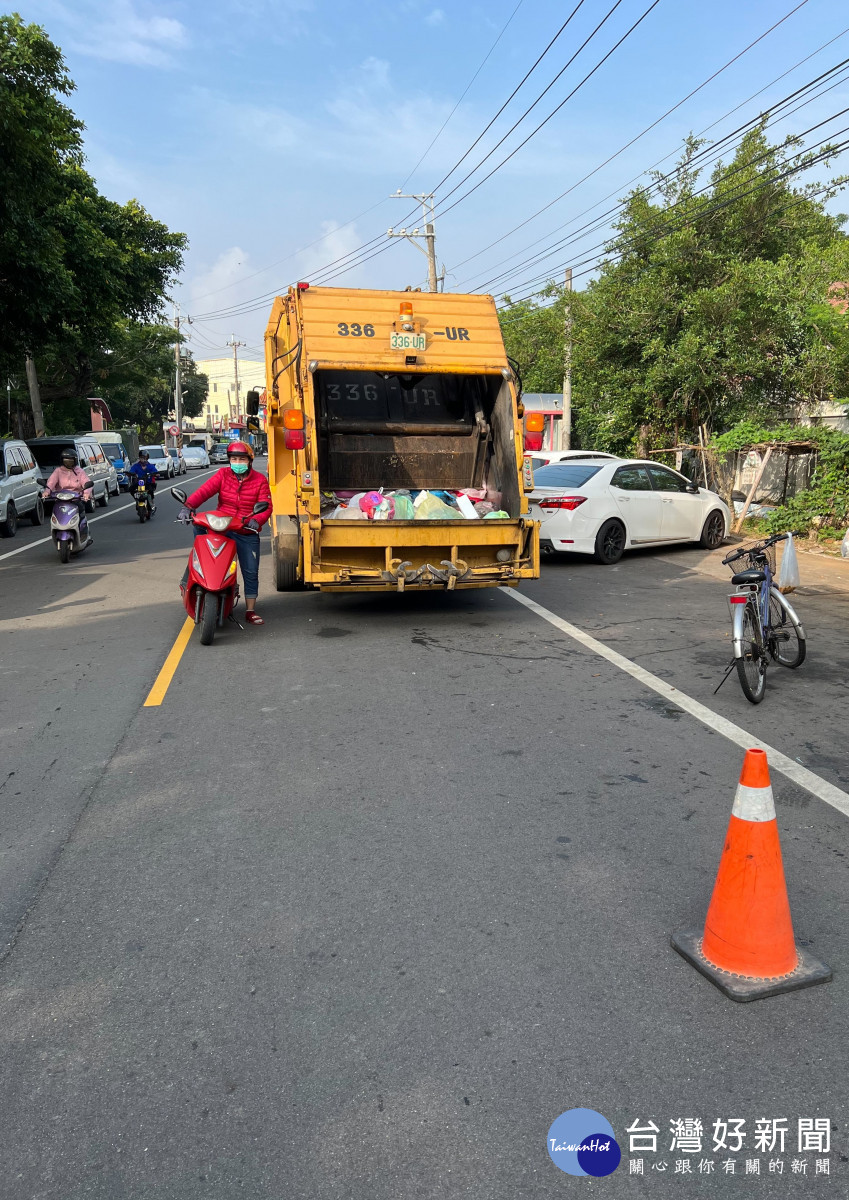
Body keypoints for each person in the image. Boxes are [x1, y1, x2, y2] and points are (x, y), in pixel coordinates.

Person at [179, 441, 272, 625]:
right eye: (234, 458)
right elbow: (204, 491)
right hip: (222, 526)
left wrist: (257, 520)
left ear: (249, 461)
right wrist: (188, 507)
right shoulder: (223, 475)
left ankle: (250, 610)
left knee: (251, 571)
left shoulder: (259, 480)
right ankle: (190, 577)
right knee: (199, 533)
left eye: (242, 459)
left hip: (246, 529)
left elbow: (266, 506)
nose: (238, 462)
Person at [42, 448, 93, 546]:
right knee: (55, 513)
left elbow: (86, 482)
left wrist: (86, 493)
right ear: (62, 461)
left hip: (76, 499)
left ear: (75, 460)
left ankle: (84, 533)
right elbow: (51, 483)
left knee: (81, 511)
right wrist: (46, 492)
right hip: (60, 499)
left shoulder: (80, 471)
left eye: (71, 461)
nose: (69, 463)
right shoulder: (58, 471)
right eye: (66, 461)